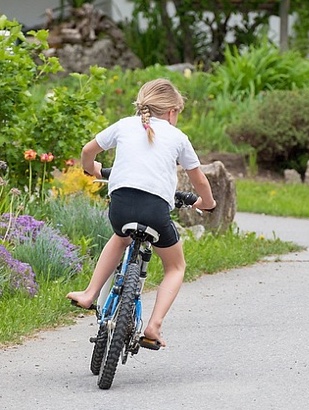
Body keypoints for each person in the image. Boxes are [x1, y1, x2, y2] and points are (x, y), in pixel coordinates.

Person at [67, 78, 216, 348]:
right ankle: (154, 326)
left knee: (119, 237)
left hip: (121, 205)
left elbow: (88, 150)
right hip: (156, 211)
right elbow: (200, 180)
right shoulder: (178, 137)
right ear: (172, 112)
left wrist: (93, 169)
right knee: (176, 266)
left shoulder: (124, 125)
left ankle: (90, 293)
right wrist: (206, 202)